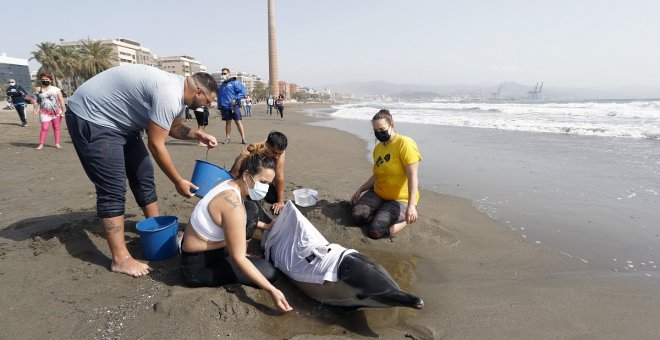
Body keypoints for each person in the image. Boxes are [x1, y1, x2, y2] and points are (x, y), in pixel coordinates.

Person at [65, 64, 219, 277]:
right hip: (93, 118)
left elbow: (174, 128)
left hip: (123, 124)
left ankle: (156, 229)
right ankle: (120, 259)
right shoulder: (170, 94)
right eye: (208, 101)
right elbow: (156, 144)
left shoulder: (178, 92)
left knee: (143, 175)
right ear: (199, 92)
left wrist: (197, 135)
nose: (208, 106)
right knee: (113, 188)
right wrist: (178, 181)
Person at [180, 152, 293, 312]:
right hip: (197, 266)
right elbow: (238, 257)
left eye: (268, 183)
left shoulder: (228, 183)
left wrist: (263, 226)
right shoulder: (233, 207)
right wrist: (272, 291)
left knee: (251, 209)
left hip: (206, 248)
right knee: (269, 273)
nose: (265, 188)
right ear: (247, 175)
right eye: (262, 181)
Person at [350, 109, 422, 239]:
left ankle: (406, 218)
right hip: (378, 193)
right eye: (375, 130)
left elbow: (413, 176)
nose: (379, 133)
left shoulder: (404, 144)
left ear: (392, 125)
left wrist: (411, 206)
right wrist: (360, 189)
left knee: (376, 231)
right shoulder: (378, 148)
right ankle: (380, 209)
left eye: (382, 129)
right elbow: (378, 174)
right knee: (357, 216)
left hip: (400, 199)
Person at [229, 131, 288, 214]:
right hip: (247, 178)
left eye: (280, 153)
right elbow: (235, 172)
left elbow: (279, 176)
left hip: (262, 178)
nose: (277, 156)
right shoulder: (253, 149)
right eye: (274, 152)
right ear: (267, 146)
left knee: (274, 198)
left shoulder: (280, 151)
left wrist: (280, 201)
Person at [35, 73, 67, 150]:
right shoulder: (38, 89)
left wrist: (63, 111)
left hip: (56, 112)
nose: (45, 81)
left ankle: (57, 143)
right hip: (44, 112)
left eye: (47, 79)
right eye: (43, 79)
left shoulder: (56, 89)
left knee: (56, 127)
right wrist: (35, 110)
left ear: (50, 80)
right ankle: (41, 144)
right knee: (44, 128)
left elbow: (61, 100)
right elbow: (37, 100)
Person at [217, 68, 247, 144]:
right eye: (222, 74)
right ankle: (227, 138)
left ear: (229, 73)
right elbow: (219, 95)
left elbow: (243, 92)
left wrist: (235, 98)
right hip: (225, 107)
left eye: (225, 73)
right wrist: (219, 104)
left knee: (238, 121)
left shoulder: (235, 83)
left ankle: (243, 138)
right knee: (228, 122)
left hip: (234, 106)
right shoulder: (222, 85)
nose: (223, 75)